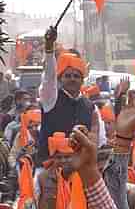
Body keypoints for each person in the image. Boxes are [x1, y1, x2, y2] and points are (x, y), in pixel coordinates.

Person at [36, 27, 106, 166]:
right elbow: (49, 77)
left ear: (82, 80)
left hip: (80, 169)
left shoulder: (90, 107)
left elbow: (99, 140)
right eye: (67, 76)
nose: (72, 79)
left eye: (76, 76)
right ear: (61, 79)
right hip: (50, 169)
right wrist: (49, 49)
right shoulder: (51, 99)